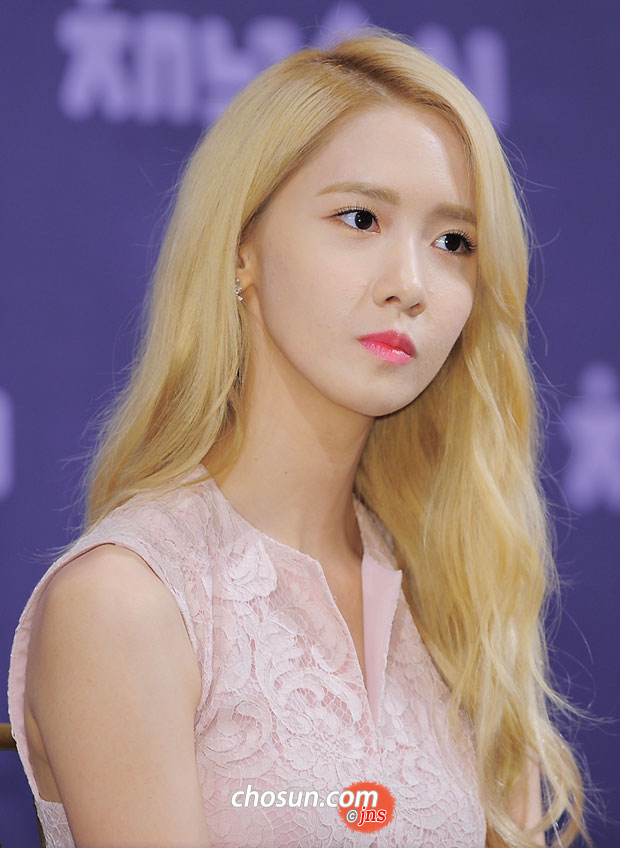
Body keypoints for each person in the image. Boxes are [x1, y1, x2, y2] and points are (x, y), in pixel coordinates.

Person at [7, 26, 592, 848]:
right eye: (360, 218)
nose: (411, 285)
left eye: (453, 242)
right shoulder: (129, 603)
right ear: (241, 250)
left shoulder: (456, 603)